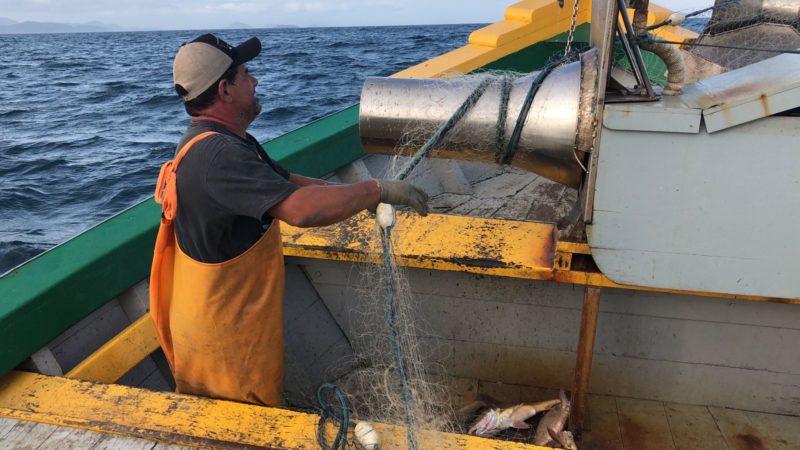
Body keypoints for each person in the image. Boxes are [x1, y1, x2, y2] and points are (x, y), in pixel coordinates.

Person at [150, 33, 429, 406]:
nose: (255, 80)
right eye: (246, 74)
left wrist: (359, 197)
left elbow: (287, 184)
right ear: (225, 90)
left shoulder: (219, 140)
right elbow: (299, 209)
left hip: (230, 326)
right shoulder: (219, 155)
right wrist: (376, 191)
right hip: (224, 348)